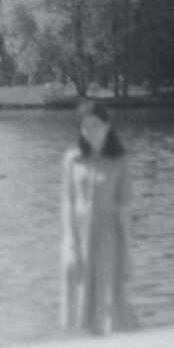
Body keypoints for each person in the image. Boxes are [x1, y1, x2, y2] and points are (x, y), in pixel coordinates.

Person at [60, 100, 139, 335]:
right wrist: (70, 244)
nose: (90, 132)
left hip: (109, 237)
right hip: (79, 236)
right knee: (81, 298)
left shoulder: (121, 161)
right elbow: (68, 202)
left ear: (107, 126)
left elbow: (124, 209)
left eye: (95, 125)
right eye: (84, 127)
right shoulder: (73, 159)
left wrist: (129, 253)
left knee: (112, 300)